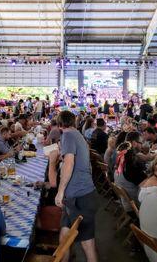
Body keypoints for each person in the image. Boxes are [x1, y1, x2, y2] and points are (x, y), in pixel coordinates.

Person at [55, 110, 98, 262]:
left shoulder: (67, 135)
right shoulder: (77, 134)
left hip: (81, 197)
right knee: (64, 239)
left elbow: (69, 163)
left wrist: (60, 191)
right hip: (76, 196)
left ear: (60, 125)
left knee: (88, 245)